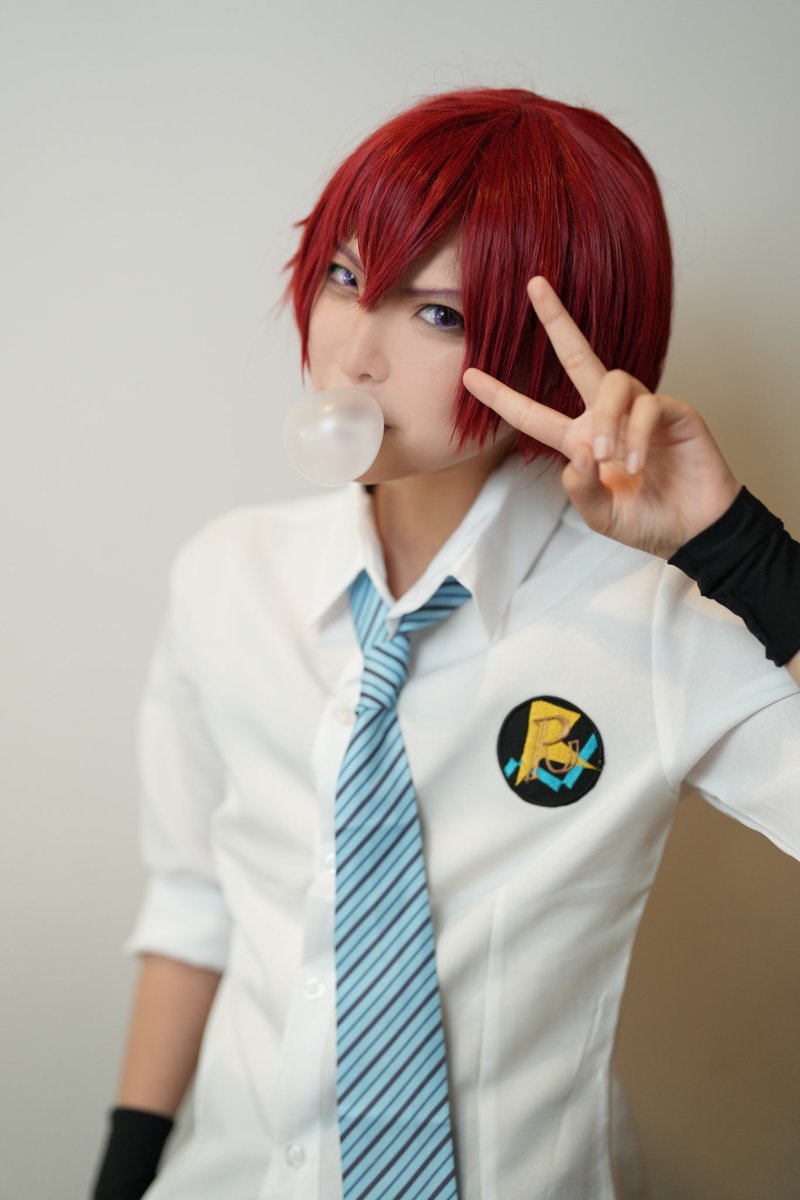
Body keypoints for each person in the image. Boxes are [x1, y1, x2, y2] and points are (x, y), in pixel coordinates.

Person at [91, 86, 800, 1200]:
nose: (353, 356)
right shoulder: (226, 577)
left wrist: (737, 545)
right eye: (344, 278)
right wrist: (119, 1180)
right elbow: (195, 903)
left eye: (437, 315)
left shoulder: (658, 617)